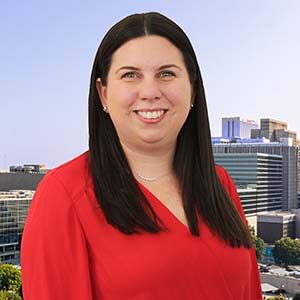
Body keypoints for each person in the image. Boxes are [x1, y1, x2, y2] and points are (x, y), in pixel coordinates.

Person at [21, 12, 262, 300]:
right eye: (130, 75)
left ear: (193, 90)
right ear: (103, 94)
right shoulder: (63, 194)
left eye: (166, 74)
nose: (150, 91)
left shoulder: (219, 183)